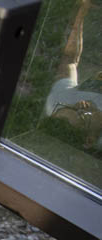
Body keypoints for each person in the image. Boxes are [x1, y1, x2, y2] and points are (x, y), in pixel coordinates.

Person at [43, 0, 102, 151]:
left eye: (73, 107)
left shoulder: (59, 101)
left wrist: (81, 10)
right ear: (90, 140)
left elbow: (69, 59)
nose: (82, 104)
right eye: (82, 115)